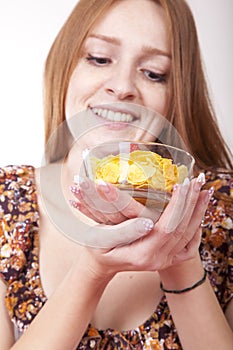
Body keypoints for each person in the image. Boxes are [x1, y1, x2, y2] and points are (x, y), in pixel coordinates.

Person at [0, 0, 232, 349]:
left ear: (177, 92)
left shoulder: (222, 206)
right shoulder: (7, 200)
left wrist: (180, 259)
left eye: (154, 73)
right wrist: (92, 270)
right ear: (64, 67)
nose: (122, 86)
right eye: (99, 58)